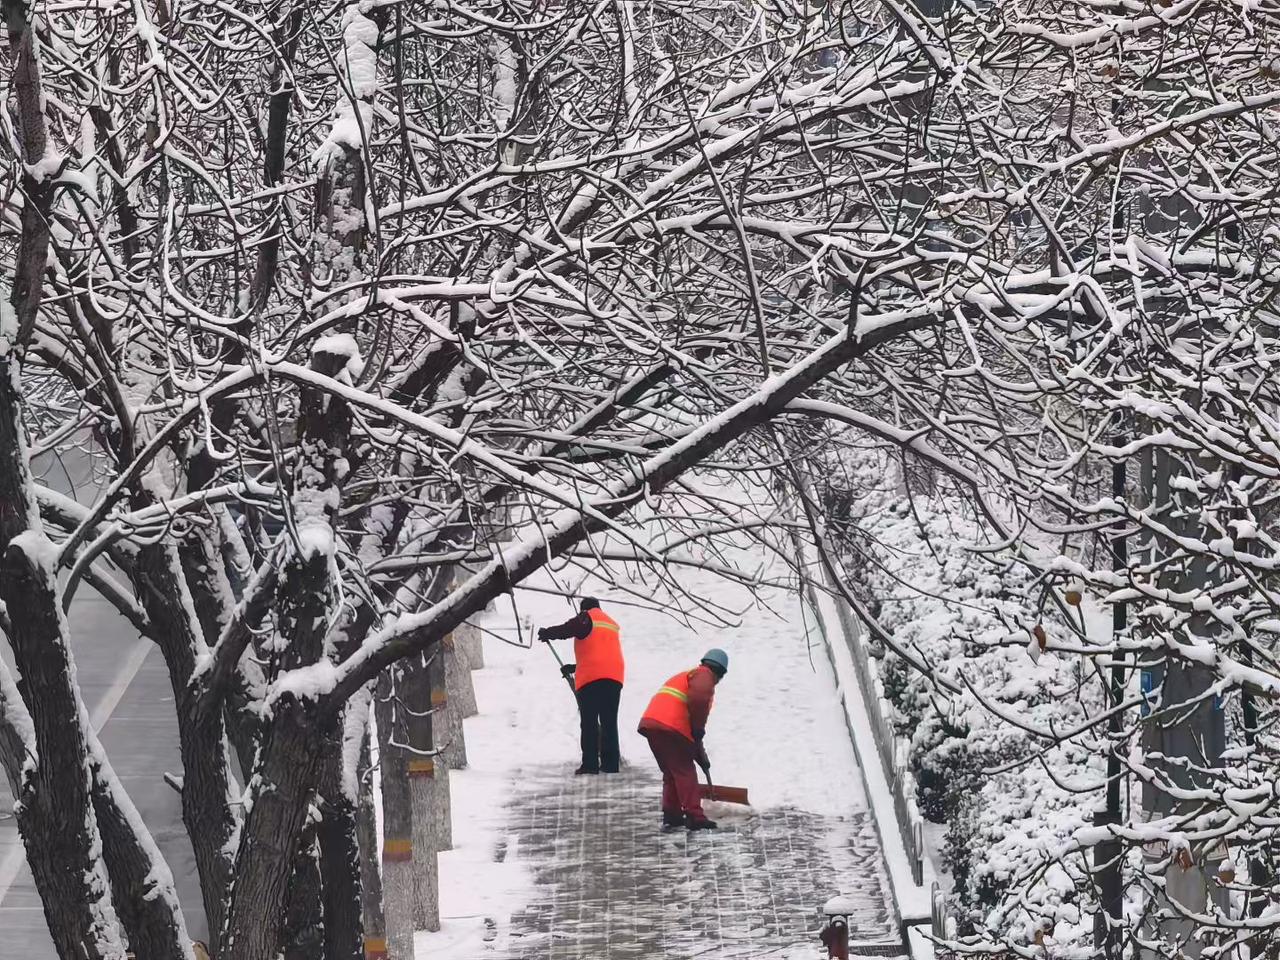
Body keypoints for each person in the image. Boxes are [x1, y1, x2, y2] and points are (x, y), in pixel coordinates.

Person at [637, 648, 728, 831]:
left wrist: (699, 751)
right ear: (720, 672)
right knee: (685, 771)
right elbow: (700, 698)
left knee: (672, 772)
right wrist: (698, 729)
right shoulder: (704, 676)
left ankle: (672, 815)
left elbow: (693, 733)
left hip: (654, 724)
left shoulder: (688, 675)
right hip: (671, 727)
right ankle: (695, 817)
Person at [539, 598, 625, 774]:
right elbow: (601, 654)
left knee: (589, 722)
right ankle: (611, 764)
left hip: (592, 680)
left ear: (584, 609)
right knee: (609, 722)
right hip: (614, 677)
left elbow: (568, 629)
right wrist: (575, 667)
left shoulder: (587, 617)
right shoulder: (610, 623)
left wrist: (548, 633)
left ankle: (590, 764)